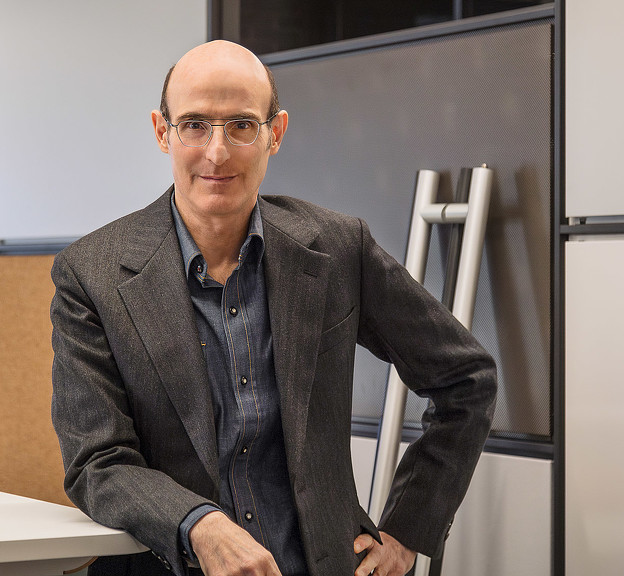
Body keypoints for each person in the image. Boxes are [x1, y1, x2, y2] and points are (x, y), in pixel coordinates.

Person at [50, 40, 496, 576]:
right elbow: (97, 460)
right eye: (194, 125)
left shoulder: (336, 249)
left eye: (240, 125)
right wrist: (199, 525)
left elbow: (465, 378)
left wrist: (407, 529)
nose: (217, 151)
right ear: (162, 131)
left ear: (275, 133)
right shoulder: (92, 274)